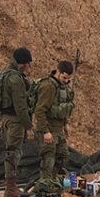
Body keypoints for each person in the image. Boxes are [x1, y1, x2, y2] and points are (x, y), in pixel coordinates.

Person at [0, 47, 35, 197]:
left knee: (10, 152)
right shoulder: (16, 80)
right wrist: (28, 126)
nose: (29, 67)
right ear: (23, 64)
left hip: (6, 119)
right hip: (15, 121)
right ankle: (11, 188)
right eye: (28, 64)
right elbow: (21, 106)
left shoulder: (5, 75)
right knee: (13, 153)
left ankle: (10, 186)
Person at [33, 60, 75, 190]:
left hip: (58, 128)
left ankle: (53, 180)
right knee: (48, 158)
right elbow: (40, 110)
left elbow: (62, 107)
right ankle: (44, 185)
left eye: (68, 79)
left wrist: (65, 124)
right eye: (64, 77)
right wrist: (45, 131)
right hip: (47, 128)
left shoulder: (62, 87)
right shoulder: (48, 86)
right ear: (57, 72)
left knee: (62, 154)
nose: (66, 81)